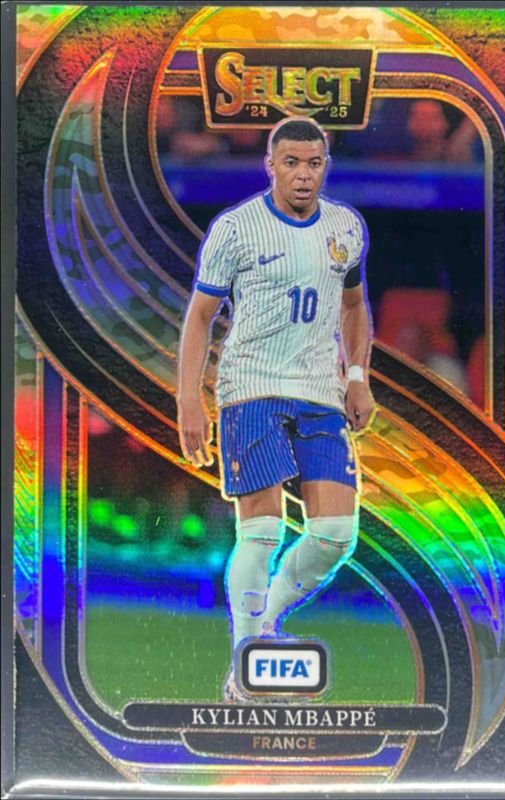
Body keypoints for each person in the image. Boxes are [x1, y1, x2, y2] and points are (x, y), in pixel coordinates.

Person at [177, 117, 375, 702]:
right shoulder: (236, 229)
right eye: (291, 163)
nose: (303, 175)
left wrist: (357, 376)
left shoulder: (346, 228)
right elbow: (200, 317)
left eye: (313, 163)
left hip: (319, 393)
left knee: (335, 535)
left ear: (325, 166)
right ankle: (246, 664)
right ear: (270, 166)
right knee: (262, 531)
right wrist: (189, 399)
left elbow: (354, 306)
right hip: (252, 388)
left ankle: (264, 625)